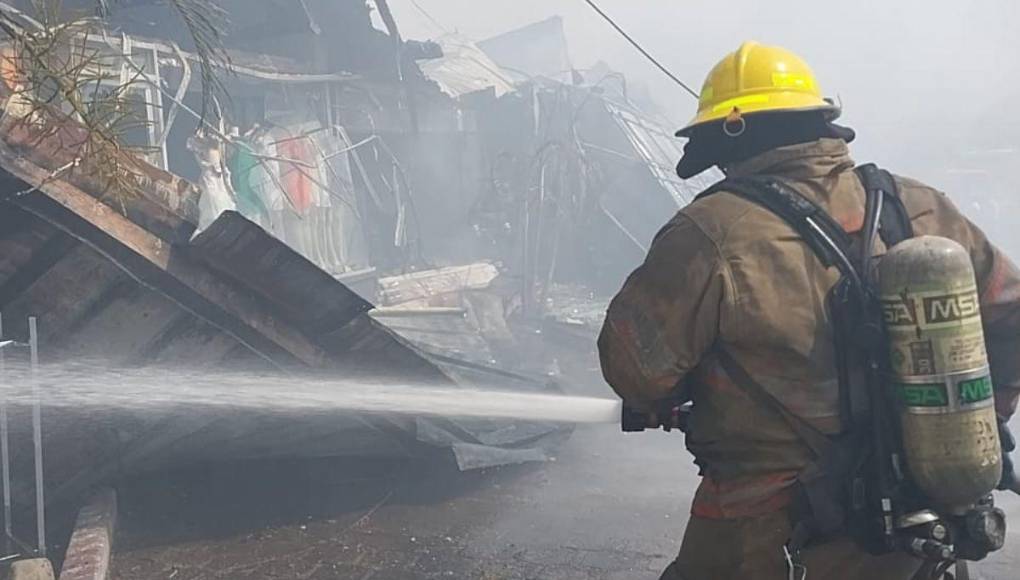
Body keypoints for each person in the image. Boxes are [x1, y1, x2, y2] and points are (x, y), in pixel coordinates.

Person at [597, 41, 1020, 580]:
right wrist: (972, 422)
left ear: (734, 139)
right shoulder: (918, 206)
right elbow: (1012, 319)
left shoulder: (709, 233)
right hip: (920, 526)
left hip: (769, 533)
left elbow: (636, 372)